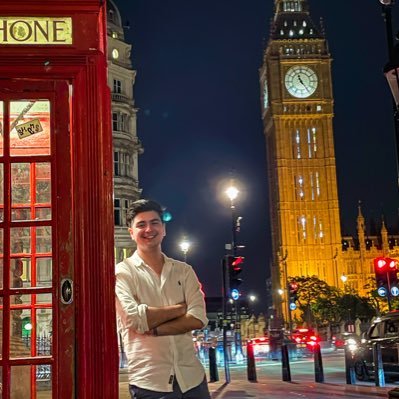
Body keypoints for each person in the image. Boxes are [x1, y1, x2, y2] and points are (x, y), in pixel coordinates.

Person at [115, 199, 211, 399]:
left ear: (164, 229)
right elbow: (134, 319)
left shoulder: (184, 271)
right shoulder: (122, 273)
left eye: (155, 222)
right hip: (149, 383)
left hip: (193, 379)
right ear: (131, 232)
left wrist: (154, 328)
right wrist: (180, 309)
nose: (149, 229)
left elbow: (198, 318)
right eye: (141, 224)